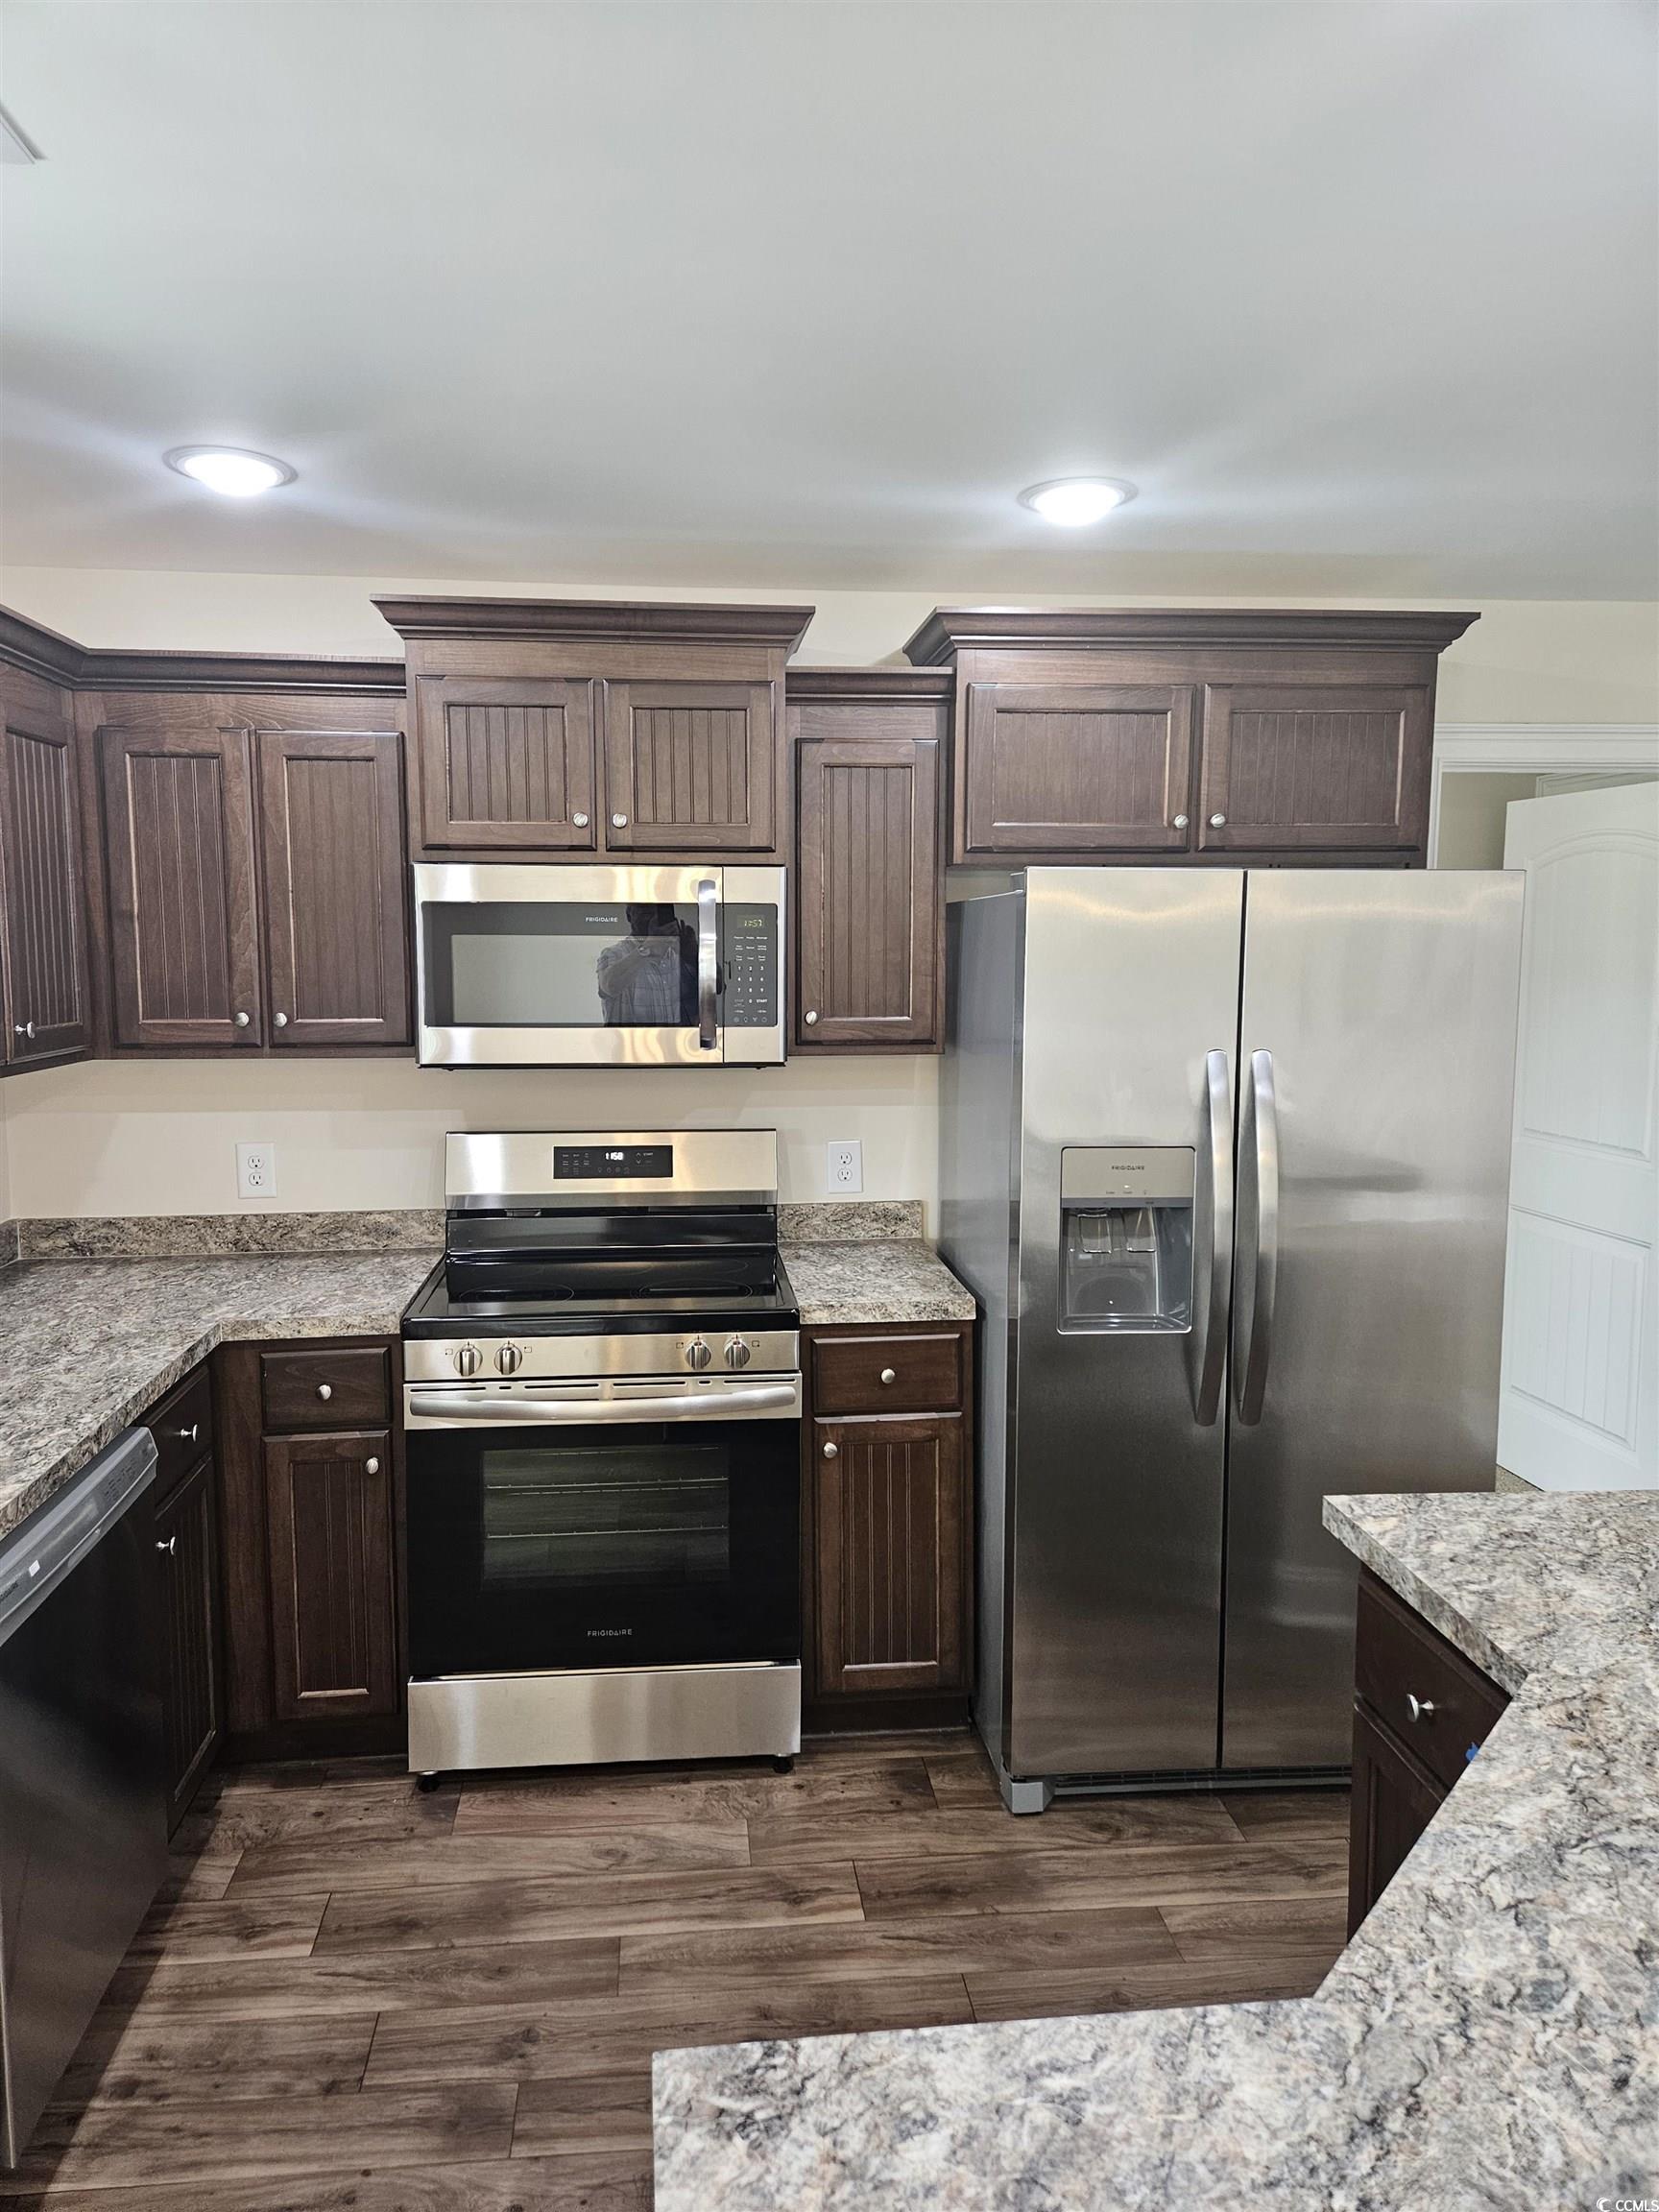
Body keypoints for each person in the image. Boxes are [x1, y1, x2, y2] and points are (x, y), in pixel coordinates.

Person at [595, 904, 696, 1025]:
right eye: (645, 913)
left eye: (658, 915)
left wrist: (693, 956)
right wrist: (648, 947)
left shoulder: (675, 956)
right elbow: (608, 987)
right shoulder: (615, 954)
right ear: (629, 915)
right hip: (628, 1038)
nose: (652, 920)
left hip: (672, 1037)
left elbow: (711, 990)